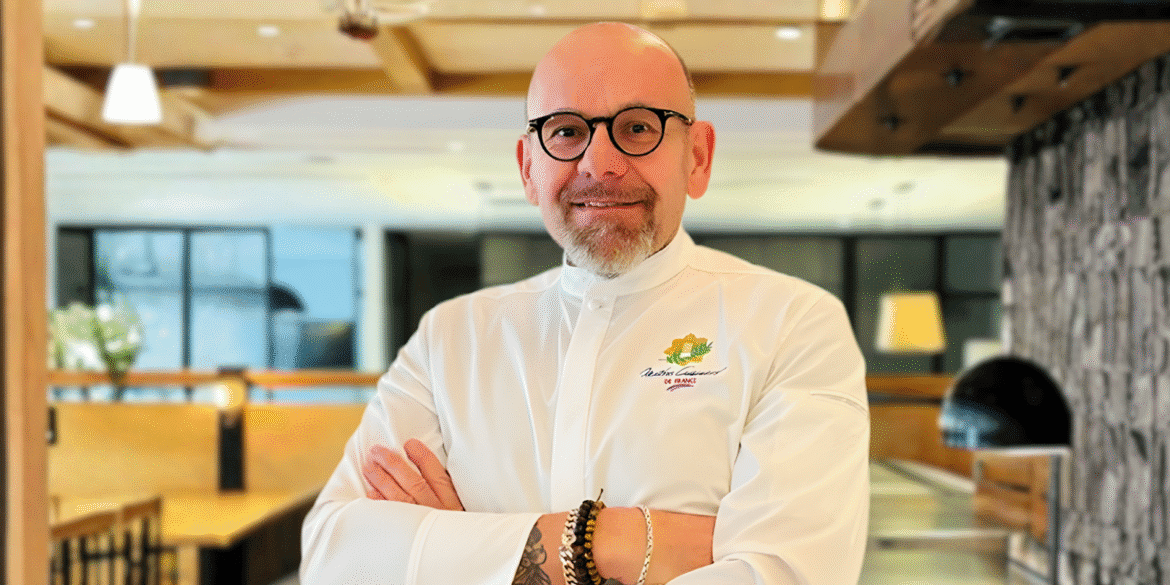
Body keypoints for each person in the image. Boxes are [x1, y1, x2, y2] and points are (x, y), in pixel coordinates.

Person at [301, 22, 869, 585]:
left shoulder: (793, 325)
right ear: (528, 167)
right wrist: (607, 544)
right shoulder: (449, 338)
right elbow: (335, 560)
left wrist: (468, 556)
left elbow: (787, 576)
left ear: (697, 157)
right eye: (567, 132)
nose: (600, 163)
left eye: (639, 127)